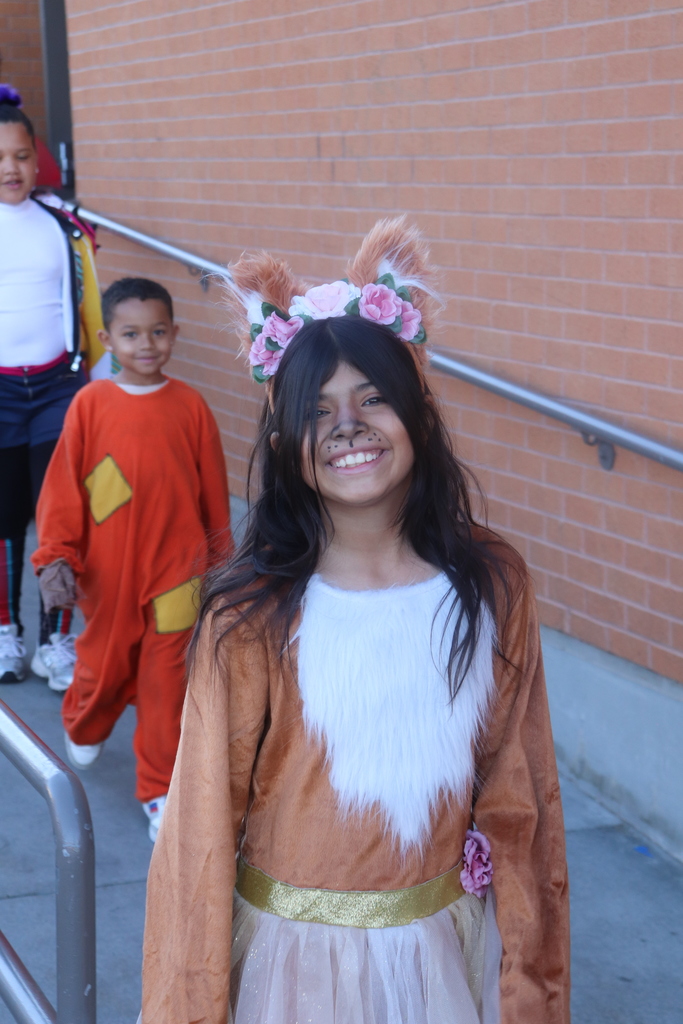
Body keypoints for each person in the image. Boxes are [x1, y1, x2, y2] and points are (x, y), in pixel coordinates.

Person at [140, 220, 570, 1023]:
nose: (348, 426)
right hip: (293, 968)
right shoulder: (253, 610)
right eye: (320, 409)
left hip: (442, 957)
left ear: (419, 415)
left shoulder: (491, 582)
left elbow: (522, 798)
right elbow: (198, 825)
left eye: (374, 398)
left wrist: (531, 985)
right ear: (283, 439)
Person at [31, 277, 233, 841]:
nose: (147, 344)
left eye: (159, 332)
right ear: (107, 338)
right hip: (109, 571)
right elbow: (64, 488)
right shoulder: (90, 405)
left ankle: (159, 789)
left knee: (167, 679)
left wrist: (221, 563)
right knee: (105, 660)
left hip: (179, 571)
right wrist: (55, 557)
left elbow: (213, 492)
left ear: (174, 334)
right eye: (131, 333)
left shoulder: (191, 405)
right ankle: (85, 717)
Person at [0, 84, 106, 690]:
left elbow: (89, 300)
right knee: (5, 515)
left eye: (20, 155)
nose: (11, 169)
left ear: (35, 156)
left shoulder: (62, 225)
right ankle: (6, 632)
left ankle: (57, 639)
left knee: (61, 515)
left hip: (60, 386)